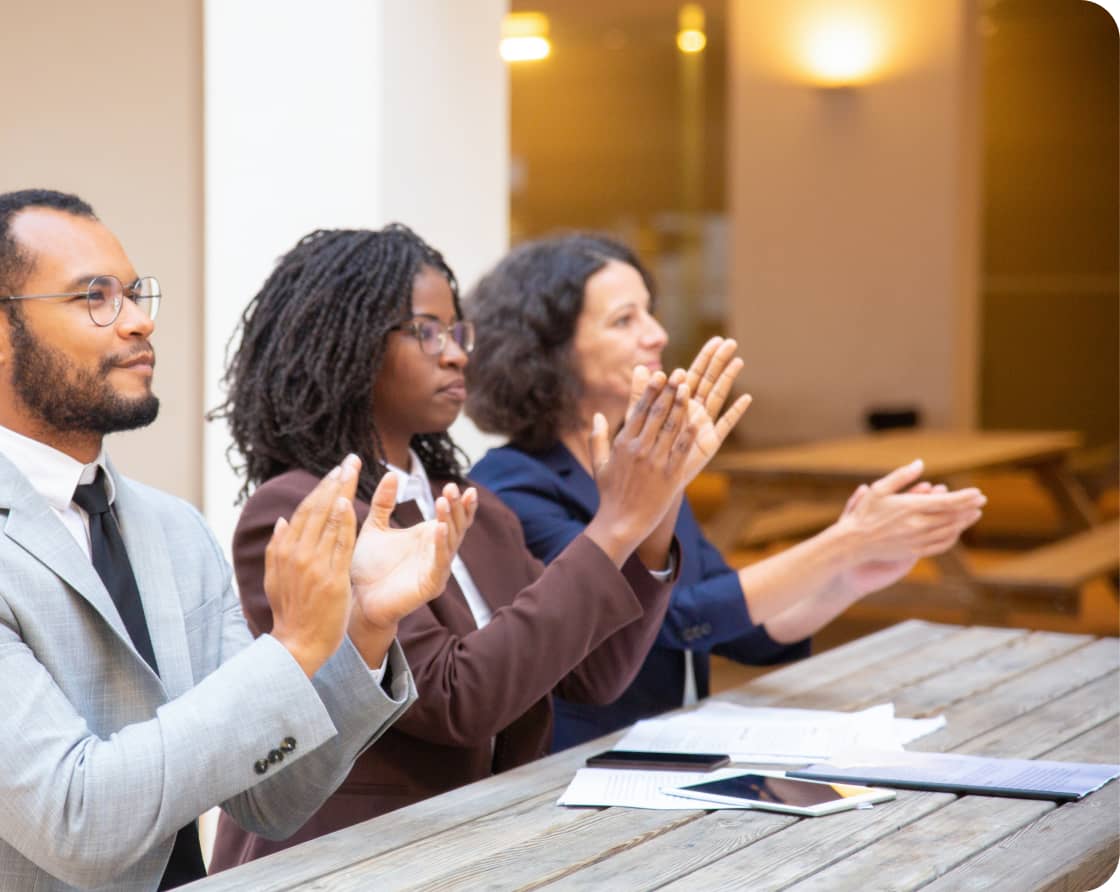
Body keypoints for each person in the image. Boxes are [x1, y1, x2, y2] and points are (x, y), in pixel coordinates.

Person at [207, 223, 745, 869]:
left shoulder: (473, 506)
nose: (458, 354)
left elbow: (594, 674)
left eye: (458, 332)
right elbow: (455, 700)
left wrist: (656, 503)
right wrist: (616, 524)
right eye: (427, 331)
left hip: (473, 847)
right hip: (343, 863)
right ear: (345, 344)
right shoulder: (301, 509)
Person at [0, 190, 472, 892]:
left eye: (135, 293)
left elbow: (271, 799)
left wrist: (364, 627)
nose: (138, 321)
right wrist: (291, 650)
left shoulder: (175, 529)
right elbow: (77, 822)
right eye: (95, 297)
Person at [465, 233, 987, 751]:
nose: (657, 335)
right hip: (567, 767)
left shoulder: (647, 466)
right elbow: (669, 619)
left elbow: (742, 632)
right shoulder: (510, 485)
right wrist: (843, 542)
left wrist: (847, 577)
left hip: (662, 754)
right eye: (625, 320)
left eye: (650, 313)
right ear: (547, 350)